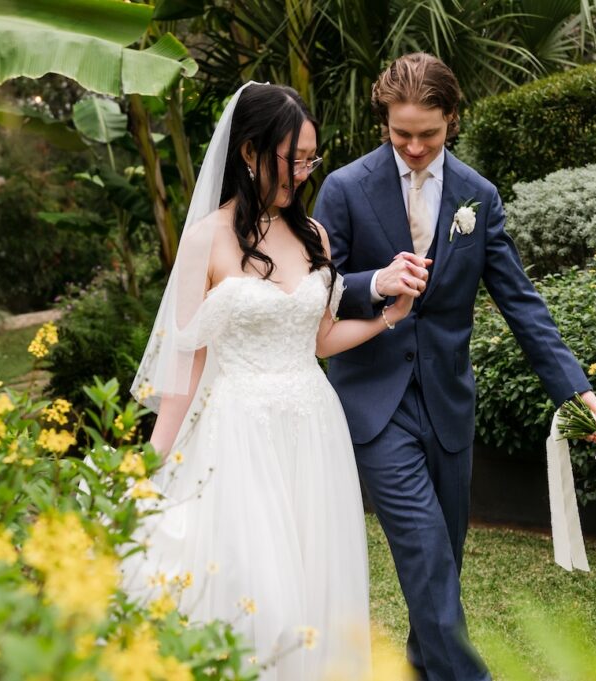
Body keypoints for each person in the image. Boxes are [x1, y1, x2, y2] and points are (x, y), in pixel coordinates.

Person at [313, 53, 596, 681]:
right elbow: (314, 289)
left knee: (443, 561)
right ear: (384, 122)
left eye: (429, 133)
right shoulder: (343, 188)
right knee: (426, 555)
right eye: (402, 134)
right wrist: (375, 282)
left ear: (452, 118)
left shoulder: (479, 196)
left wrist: (573, 390)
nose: (415, 148)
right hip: (375, 404)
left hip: (448, 406)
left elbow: (520, 301)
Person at [129, 83, 419, 680]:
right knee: (260, 591)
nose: (303, 172)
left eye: (311, 159)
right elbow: (187, 366)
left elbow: (320, 340)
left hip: (314, 429)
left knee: (317, 583)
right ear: (249, 152)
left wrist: (387, 317)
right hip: (240, 436)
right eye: (293, 159)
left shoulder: (313, 234)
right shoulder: (206, 239)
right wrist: (151, 460)